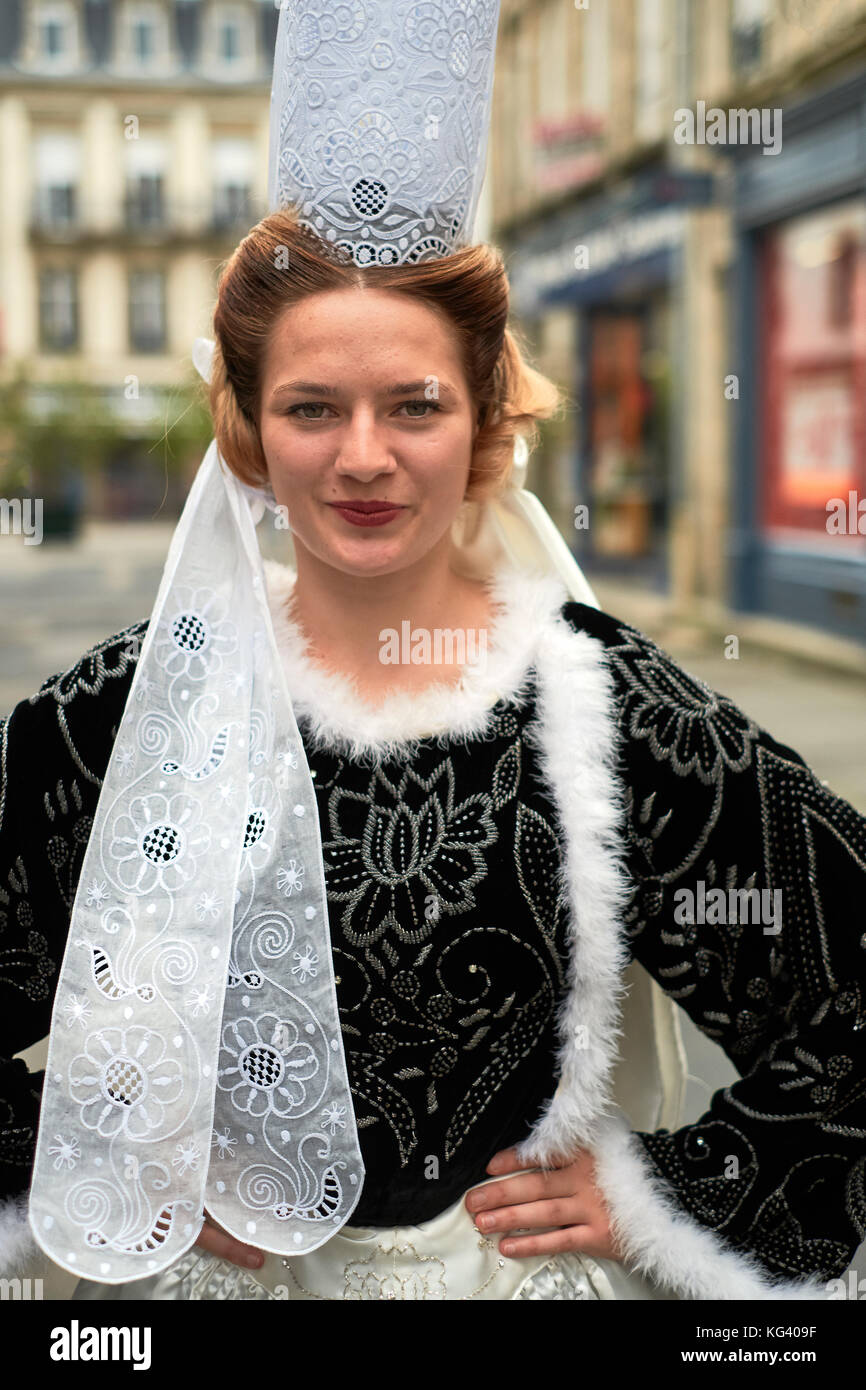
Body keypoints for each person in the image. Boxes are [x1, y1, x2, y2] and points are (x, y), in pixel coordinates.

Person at [2, 205, 865, 1301]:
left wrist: (673, 1185)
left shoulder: (604, 704)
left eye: (414, 405)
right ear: (250, 428)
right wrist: (102, 1157)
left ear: (482, 421)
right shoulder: (129, 709)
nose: (363, 458)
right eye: (311, 408)